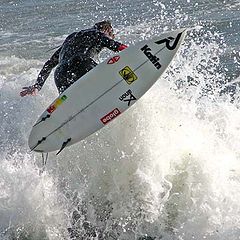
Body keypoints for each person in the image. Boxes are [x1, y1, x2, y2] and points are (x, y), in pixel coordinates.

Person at [20, 20, 127, 97]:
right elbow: (116, 46)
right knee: (108, 75)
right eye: (111, 35)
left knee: (71, 101)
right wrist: (136, 50)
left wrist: (37, 86)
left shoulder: (71, 39)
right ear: (107, 31)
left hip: (60, 75)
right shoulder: (98, 34)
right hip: (83, 65)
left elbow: (49, 64)